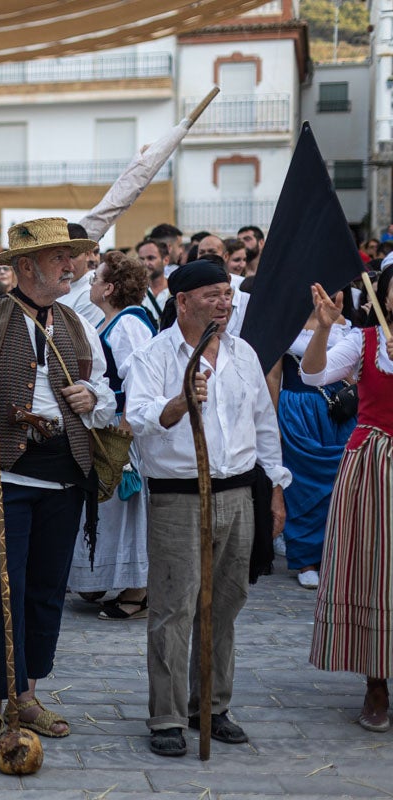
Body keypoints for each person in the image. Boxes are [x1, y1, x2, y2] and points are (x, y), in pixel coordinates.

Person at [0, 218, 116, 751]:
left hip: (62, 478)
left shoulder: (78, 324)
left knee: (44, 590)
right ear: (27, 267)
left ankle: (26, 694)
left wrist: (91, 400)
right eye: (60, 257)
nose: (70, 266)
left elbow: (102, 392)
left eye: (72, 257)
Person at [124, 259, 289, 757]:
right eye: (214, 294)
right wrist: (178, 404)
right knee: (174, 607)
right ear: (184, 302)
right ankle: (168, 716)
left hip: (238, 494)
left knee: (225, 603)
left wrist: (276, 488)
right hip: (178, 495)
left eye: (227, 293)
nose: (225, 301)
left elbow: (263, 425)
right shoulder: (155, 355)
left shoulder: (242, 354)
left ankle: (211, 706)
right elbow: (137, 416)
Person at [303, 268, 393, 732]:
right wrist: (322, 328)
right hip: (374, 467)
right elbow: (312, 372)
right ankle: (375, 682)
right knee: (374, 572)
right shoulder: (364, 341)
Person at [68, 251, 155, 618]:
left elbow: (140, 376)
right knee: (112, 511)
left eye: (95, 278)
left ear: (110, 287)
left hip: (122, 429)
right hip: (108, 423)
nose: (90, 284)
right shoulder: (113, 321)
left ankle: (137, 591)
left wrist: (127, 429)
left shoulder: (130, 323)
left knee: (128, 508)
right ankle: (104, 577)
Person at [266, 312, 355, 590]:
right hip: (298, 408)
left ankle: (335, 556)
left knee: (340, 481)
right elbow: (273, 374)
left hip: (339, 409)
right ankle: (305, 559)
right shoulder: (285, 321)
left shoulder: (347, 325)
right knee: (301, 483)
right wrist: (272, 419)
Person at [57, 222, 104, 326]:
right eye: (59, 257)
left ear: (87, 254)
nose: (67, 264)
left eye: (73, 256)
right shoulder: (60, 285)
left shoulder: (91, 292)